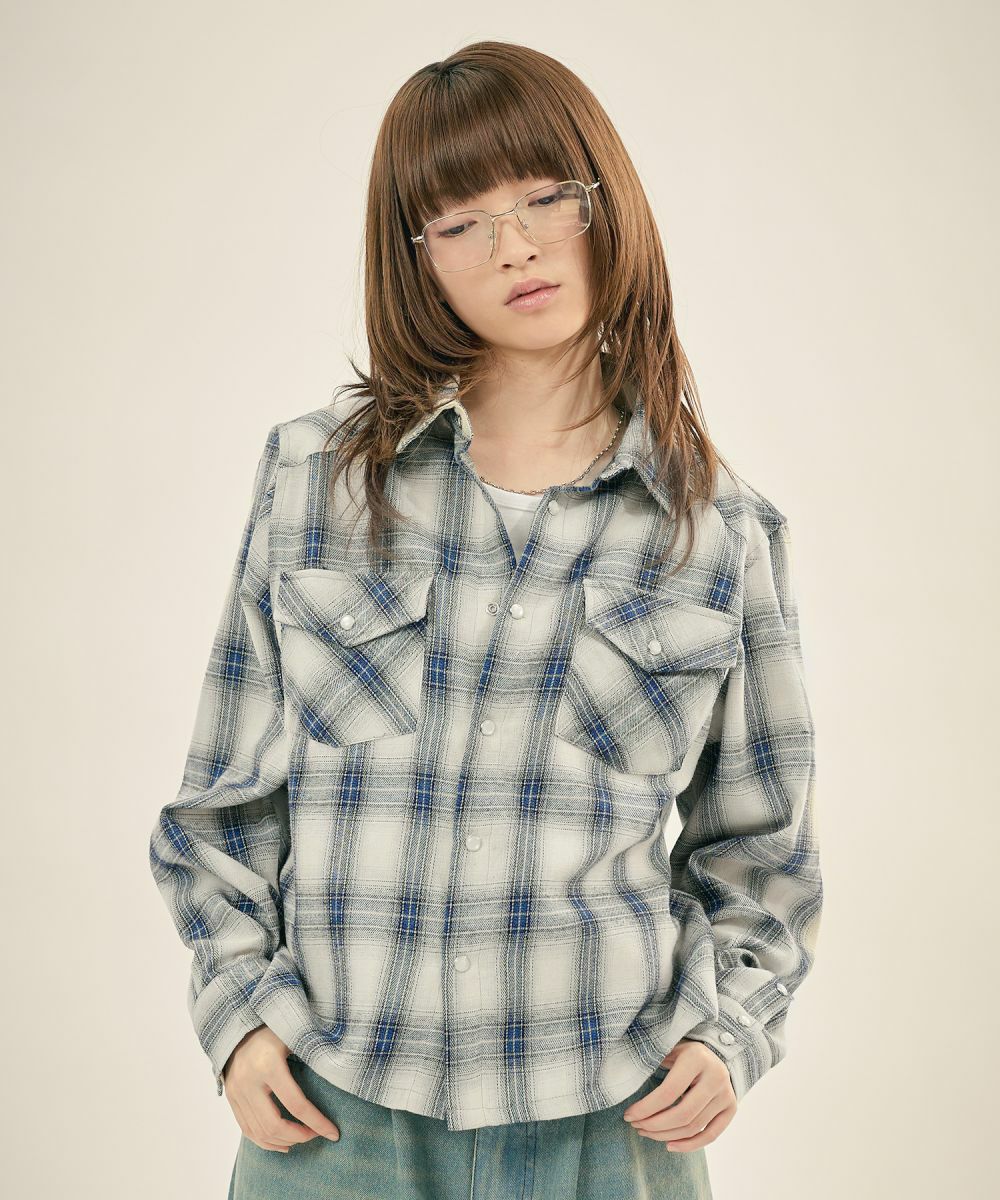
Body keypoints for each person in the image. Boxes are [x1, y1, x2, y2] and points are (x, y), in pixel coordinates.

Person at [148, 39, 822, 1200]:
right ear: (413, 257)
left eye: (546, 197)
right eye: (459, 222)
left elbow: (762, 853)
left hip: (611, 1124)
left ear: (605, 204)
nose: (514, 247)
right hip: (331, 1116)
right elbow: (222, 807)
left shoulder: (718, 531)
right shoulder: (315, 481)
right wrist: (238, 1014)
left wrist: (727, 1033)